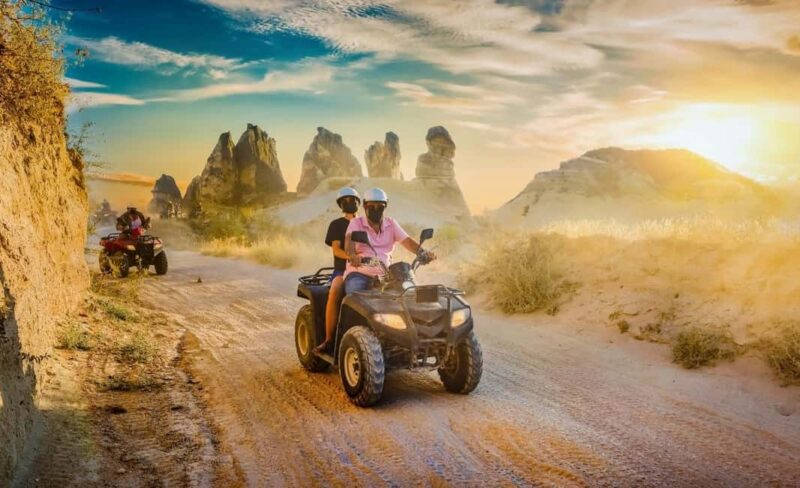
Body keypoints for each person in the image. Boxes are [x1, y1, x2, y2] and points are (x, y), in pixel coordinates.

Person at [343, 188, 435, 295]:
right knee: (356, 295)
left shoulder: (391, 223)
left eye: (380, 207)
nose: (375, 209)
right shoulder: (356, 223)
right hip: (359, 275)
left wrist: (423, 253)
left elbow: (407, 241)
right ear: (364, 206)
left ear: (385, 206)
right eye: (371, 207)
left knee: (409, 295)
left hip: (387, 276)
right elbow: (349, 242)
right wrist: (352, 255)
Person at [314, 187, 360, 354]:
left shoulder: (364, 223)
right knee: (335, 290)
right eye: (347, 200)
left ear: (359, 203)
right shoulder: (336, 224)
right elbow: (336, 250)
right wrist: (350, 257)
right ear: (341, 204)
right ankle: (329, 339)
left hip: (366, 269)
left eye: (354, 200)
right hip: (342, 269)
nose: (351, 203)